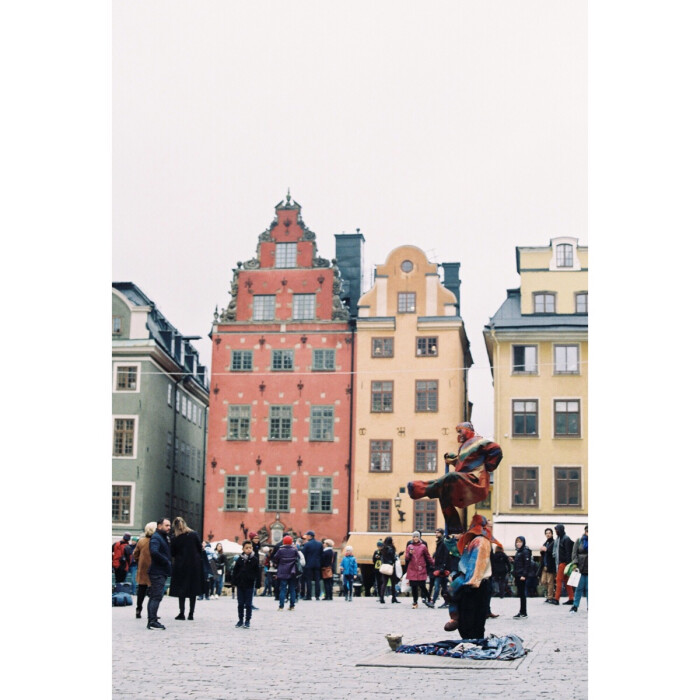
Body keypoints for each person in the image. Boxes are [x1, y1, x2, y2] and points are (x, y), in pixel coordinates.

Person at [408, 422, 502, 535]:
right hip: (463, 484)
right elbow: (463, 463)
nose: (459, 435)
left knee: (451, 477)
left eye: (460, 431)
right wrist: (453, 459)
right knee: (444, 493)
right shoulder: (463, 448)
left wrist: (489, 465)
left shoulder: (479, 441)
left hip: (475, 482)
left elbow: (496, 450)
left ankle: (422, 488)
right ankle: (455, 530)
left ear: (468, 430)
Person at [443, 514, 494, 639]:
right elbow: (457, 551)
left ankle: (473, 640)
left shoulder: (481, 541)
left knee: (473, 616)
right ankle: (470, 638)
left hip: (475, 583)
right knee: (468, 614)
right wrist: (451, 539)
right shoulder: (474, 540)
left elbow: (476, 563)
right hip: (471, 582)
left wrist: (471, 582)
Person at [168, 516, 208, 620]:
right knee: (193, 590)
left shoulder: (175, 537)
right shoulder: (194, 534)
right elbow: (200, 548)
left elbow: (172, 553)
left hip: (180, 566)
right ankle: (191, 614)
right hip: (194, 566)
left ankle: (182, 613)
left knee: (182, 591)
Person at [146, 518, 171, 630]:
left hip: (160, 571)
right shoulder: (156, 537)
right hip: (157, 571)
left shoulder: (162, 537)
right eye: (166, 525)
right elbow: (154, 551)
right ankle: (152, 620)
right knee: (156, 596)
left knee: (154, 596)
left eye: (169, 525)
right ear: (159, 526)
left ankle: (152, 619)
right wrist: (165, 560)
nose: (169, 527)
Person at [231, 539, 260, 628]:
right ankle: (240, 620)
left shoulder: (254, 559)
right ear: (243, 549)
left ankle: (247, 620)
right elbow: (235, 571)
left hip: (249, 584)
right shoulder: (240, 559)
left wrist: (257, 582)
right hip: (240, 584)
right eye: (247, 548)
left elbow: (257, 572)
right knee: (240, 603)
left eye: (250, 548)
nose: (249, 549)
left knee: (248, 603)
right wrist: (234, 581)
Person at [404, 531, 435, 609]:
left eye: (417, 537)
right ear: (412, 538)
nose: (415, 538)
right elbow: (407, 558)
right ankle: (415, 602)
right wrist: (410, 554)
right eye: (414, 537)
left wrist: (433, 564)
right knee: (414, 586)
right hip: (412, 569)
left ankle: (429, 599)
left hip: (421, 569)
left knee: (422, 586)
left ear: (419, 537)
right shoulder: (409, 546)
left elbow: (428, 556)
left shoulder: (423, 546)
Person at [132, 522, 156, 619]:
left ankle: (138, 609)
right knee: (153, 592)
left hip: (143, 569)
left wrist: (139, 562)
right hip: (153, 569)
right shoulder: (156, 541)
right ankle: (152, 612)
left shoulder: (141, 541)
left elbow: (135, 554)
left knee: (141, 591)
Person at [273, 535, 299, 610]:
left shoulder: (280, 550)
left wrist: (278, 563)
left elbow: (275, 558)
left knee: (283, 589)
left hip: (282, 571)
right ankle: (292, 606)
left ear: (283, 542)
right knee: (292, 589)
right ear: (291, 542)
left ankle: (281, 606)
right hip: (292, 571)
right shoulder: (294, 550)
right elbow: (298, 559)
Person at [553, 523, 575, 605]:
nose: (556, 531)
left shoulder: (564, 539)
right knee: (567, 581)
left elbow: (568, 552)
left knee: (558, 580)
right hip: (565, 563)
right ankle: (571, 598)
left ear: (560, 530)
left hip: (563, 563)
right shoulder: (562, 538)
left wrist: (567, 564)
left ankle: (556, 599)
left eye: (557, 530)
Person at [430, 528, 452, 608]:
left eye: (438, 533)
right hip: (440, 568)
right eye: (435, 532)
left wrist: (443, 566)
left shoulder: (443, 542)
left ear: (442, 534)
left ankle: (433, 602)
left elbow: (446, 555)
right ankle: (448, 602)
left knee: (437, 586)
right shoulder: (439, 542)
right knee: (444, 587)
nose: (436, 534)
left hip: (441, 569)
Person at [512, 536, 532, 619]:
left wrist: (524, 575)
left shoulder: (525, 551)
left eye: (520, 542)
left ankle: (523, 612)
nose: (518, 543)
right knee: (521, 594)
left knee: (522, 594)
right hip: (518, 575)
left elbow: (527, 564)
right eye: (517, 542)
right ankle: (522, 611)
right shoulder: (518, 551)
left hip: (521, 576)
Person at [378, 536, 401, 604]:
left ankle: (381, 598)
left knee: (384, 583)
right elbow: (393, 558)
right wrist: (398, 556)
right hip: (390, 567)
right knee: (393, 584)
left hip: (384, 567)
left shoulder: (383, 549)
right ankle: (393, 598)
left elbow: (381, 558)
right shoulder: (392, 548)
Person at [570, 525, 588, 613]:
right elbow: (574, 553)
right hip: (580, 568)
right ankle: (575, 606)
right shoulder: (579, 541)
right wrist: (575, 565)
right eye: (587, 531)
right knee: (579, 589)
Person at [301, 530, 323, 601]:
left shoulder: (307, 544)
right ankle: (317, 596)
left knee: (308, 580)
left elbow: (303, 555)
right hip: (317, 564)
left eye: (307, 536)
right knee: (317, 580)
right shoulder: (319, 544)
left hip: (308, 565)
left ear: (310, 536)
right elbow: (321, 554)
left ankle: (309, 596)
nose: (306, 537)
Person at [539, 528, 557, 603]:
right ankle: (551, 594)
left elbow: (554, 553)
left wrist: (546, 550)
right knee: (543, 581)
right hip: (544, 565)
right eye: (546, 533)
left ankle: (550, 597)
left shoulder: (554, 542)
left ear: (552, 534)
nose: (548, 534)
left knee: (550, 582)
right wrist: (541, 551)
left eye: (549, 533)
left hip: (550, 565)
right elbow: (543, 554)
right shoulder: (545, 543)